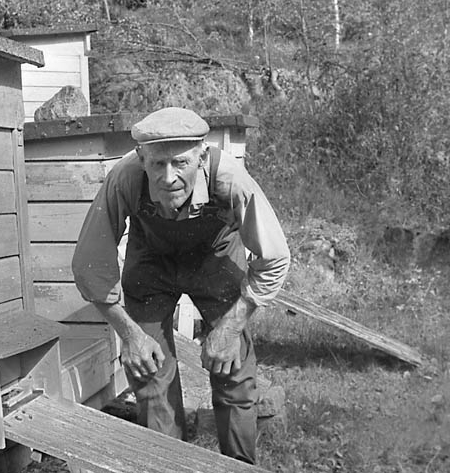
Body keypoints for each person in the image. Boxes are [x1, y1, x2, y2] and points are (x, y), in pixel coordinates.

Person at [71, 107, 290, 464]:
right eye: (157, 164)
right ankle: (168, 464)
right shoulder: (124, 178)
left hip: (215, 259)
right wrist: (129, 334)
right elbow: (89, 263)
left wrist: (231, 328)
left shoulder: (230, 179)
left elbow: (275, 257)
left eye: (181, 164)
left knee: (232, 370)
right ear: (142, 158)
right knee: (149, 372)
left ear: (202, 156)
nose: (168, 177)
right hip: (151, 264)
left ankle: (239, 466)